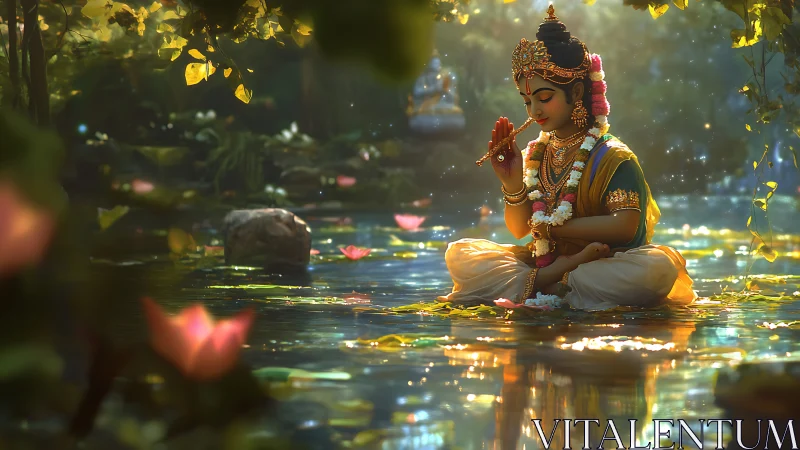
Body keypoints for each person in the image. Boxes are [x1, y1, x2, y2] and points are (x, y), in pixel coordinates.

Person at [439, 5, 696, 310]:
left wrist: (554, 229)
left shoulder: (612, 157)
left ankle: (547, 282)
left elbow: (624, 226)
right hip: (546, 261)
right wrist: (511, 183)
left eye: (544, 98)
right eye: (527, 101)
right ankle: (556, 279)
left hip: (602, 266)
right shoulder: (535, 153)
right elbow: (521, 230)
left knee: (656, 270)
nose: (534, 111)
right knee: (461, 253)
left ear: (575, 93)